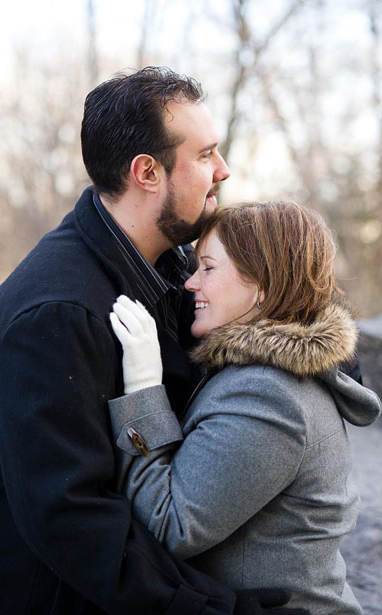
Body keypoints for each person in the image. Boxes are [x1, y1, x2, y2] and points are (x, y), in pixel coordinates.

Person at [0, 67, 306, 614]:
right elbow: (76, 524)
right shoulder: (57, 316)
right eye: (205, 155)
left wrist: (318, 355)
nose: (223, 170)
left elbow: (265, 318)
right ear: (147, 172)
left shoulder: (167, 263)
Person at [108, 201, 381, 614]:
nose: (190, 284)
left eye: (208, 268)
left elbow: (170, 526)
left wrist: (143, 388)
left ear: (262, 286)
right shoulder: (259, 375)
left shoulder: (267, 393)